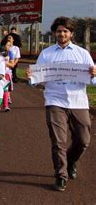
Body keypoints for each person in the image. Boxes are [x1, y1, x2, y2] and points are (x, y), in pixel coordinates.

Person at [26, 17, 95, 192]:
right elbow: (37, 79)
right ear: (54, 33)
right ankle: (61, 175)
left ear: (71, 33)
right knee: (58, 141)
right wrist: (31, 77)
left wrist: (94, 74)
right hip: (55, 101)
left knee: (83, 140)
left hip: (78, 101)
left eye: (65, 31)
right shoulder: (47, 54)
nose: (62, 34)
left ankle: (71, 160)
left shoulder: (82, 53)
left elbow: (93, 81)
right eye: (59, 31)